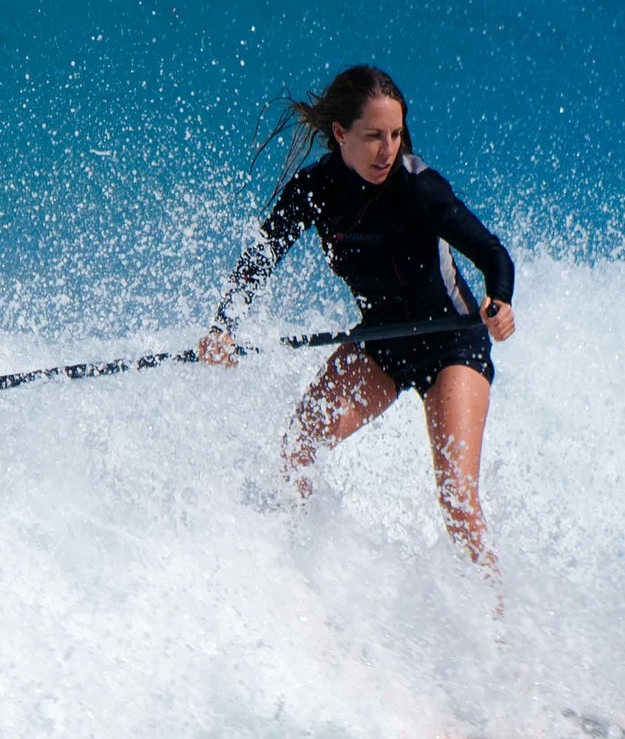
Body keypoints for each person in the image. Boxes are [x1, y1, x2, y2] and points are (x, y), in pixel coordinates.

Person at [200, 65, 516, 573]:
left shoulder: (420, 187)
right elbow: (262, 257)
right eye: (374, 136)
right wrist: (223, 328)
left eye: (395, 134)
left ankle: (497, 611)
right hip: (381, 342)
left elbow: (493, 254)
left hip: (451, 343)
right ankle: (300, 577)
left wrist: (498, 302)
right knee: (298, 450)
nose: (388, 150)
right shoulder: (315, 189)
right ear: (341, 134)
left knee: (457, 497)